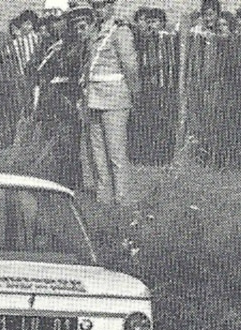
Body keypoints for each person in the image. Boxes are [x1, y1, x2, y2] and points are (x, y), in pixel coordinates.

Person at [80, 0, 141, 247]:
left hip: (115, 97)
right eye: (95, 5)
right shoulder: (95, 30)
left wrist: (135, 92)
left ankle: (122, 201)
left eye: (102, 5)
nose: (98, 10)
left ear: (112, 6)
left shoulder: (120, 30)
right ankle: (103, 199)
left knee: (116, 154)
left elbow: (130, 65)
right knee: (98, 154)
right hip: (94, 97)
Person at [32, 6, 89, 189]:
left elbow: (77, 68)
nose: (55, 25)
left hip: (69, 95)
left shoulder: (78, 43)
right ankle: (59, 180)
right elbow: (38, 68)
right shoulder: (52, 44)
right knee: (56, 140)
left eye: (58, 21)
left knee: (70, 140)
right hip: (53, 96)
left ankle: (72, 182)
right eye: (51, 21)